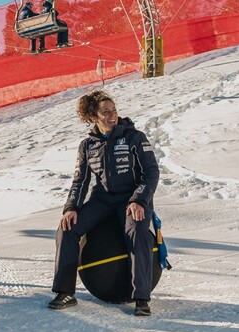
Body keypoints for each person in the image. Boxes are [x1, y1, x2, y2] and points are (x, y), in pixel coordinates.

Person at [48, 90, 159, 316]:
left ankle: (141, 298)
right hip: (101, 201)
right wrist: (70, 208)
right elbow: (80, 181)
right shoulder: (87, 146)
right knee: (66, 229)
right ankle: (64, 292)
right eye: (105, 112)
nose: (112, 116)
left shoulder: (134, 137)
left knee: (138, 230)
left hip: (131, 199)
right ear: (93, 117)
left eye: (114, 110)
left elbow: (151, 173)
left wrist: (139, 200)